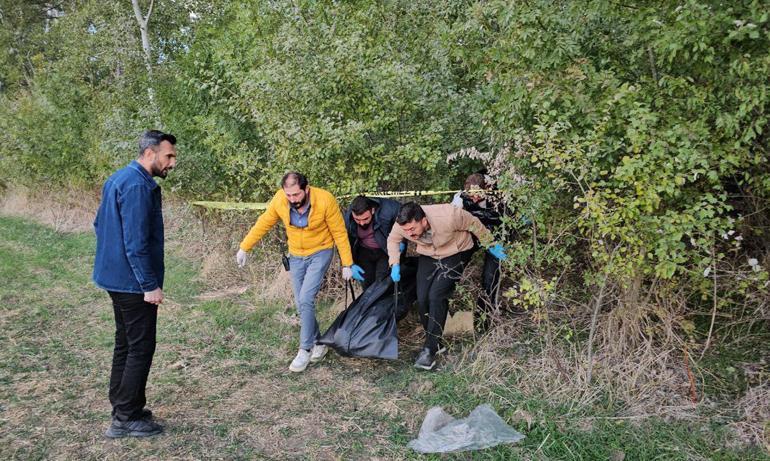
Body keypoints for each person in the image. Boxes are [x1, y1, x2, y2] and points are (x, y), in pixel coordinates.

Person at [92, 130, 177, 438]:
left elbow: (98, 225)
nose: (172, 163)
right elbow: (136, 243)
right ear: (149, 153)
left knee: (126, 344)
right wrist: (149, 284)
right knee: (140, 347)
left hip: (115, 279)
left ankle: (125, 406)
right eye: (168, 156)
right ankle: (125, 418)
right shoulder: (138, 186)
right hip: (131, 284)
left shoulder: (119, 178)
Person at [235, 172, 354, 372]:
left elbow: (339, 232)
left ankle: (305, 349)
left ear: (307, 189)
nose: (292, 200)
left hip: (321, 251)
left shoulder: (325, 199)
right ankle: (319, 343)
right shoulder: (280, 200)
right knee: (301, 302)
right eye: (288, 195)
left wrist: (347, 263)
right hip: (296, 255)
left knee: (306, 298)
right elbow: (264, 222)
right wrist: (244, 247)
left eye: (296, 195)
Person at [386, 202, 507, 370]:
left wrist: (491, 244)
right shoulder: (403, 224)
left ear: (423, 220)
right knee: (422, 298)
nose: (409, 234)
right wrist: (394, 263)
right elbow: (393, 240)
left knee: (436, 295)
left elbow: (474, 223)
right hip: (429, 252)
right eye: (406, 231)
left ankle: (429, 349)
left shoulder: (449, 215)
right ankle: (436, 341)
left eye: (412, 229)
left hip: (456, 251)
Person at [451, 173, 506, 331]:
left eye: (477, 196)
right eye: (471, 196)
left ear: (487, 188)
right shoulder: (460, 197)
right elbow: (453, 217)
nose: (474, 199)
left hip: (494, 238)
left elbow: (503, 218)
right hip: (472, 235)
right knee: (455, 267)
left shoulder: (499, 196)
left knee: (490, 278)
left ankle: (485, 319)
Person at [344, 195, 402, 289]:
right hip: (363, 252)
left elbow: (406, 222)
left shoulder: (389, 211)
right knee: (367, 284)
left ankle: (383, 303)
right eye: (357, 220)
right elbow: (343, 242)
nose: (361, 223)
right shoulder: (348, 218)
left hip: (384, 250)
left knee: (381, 283)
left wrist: (402, 242)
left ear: (373, 210)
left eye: (365, 219)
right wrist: (349, 264)